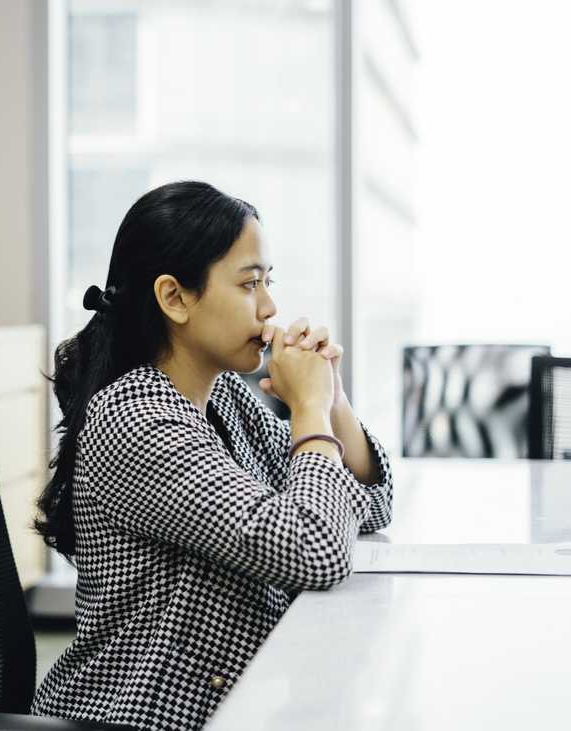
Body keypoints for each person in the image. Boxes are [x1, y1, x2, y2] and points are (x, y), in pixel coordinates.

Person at [30, 180, 393, 730]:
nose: (270, 308)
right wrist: (309, 413)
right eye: (250, 285)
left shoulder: (220, 397)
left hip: (233, 701)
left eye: (269, 282)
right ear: (175, 297)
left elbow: (370, 502)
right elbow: (316, 550)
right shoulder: (135, 420)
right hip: (140, 717)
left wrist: (332, 400)